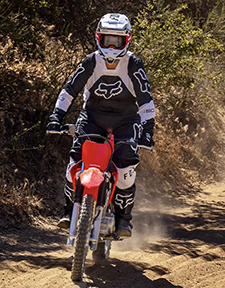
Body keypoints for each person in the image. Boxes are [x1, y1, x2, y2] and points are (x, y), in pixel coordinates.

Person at [46, 13, 155, 238]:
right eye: (108, 40)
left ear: (127, 40)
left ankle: (124, 219)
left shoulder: (133, 64)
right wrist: (57, 116)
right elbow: (69, 90)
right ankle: (68, 213)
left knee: (125, 170)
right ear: (99, 38)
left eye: (117, 40)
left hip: (126, 120)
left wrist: (148, 129)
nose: (112, 46)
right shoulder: (91, 61)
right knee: (74, 165)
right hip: (93, 117)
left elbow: (145, 98)